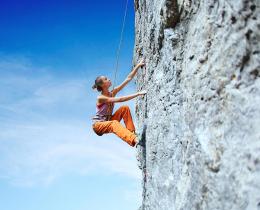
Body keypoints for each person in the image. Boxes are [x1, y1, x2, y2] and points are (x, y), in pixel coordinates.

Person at [91, 59, 147, 147]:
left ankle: (132, 132)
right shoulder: (101, 98)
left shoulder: (112, 93)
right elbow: (120, 99)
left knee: (124, 108)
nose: (109, 79)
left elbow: (128, 79)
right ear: (102, 85)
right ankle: (134, 139)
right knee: (114, 124)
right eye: (106, 79)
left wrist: (138, 65)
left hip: (108, 120)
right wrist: (138, 94)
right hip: (98, 126)